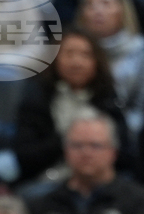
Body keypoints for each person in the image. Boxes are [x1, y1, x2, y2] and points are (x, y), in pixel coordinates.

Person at [13, 27, 133, 186]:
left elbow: (126, 154)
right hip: (49, 181)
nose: (77, 63)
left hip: (104, 181)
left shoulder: (109, 100)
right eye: (69, 54)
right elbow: (25, 157)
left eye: (85, 55)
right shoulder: (36, 99)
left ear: (97, 61)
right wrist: (69, 139)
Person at [78, 0, 144, 134]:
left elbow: (140, 109)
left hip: (127, 132)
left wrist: (116, 132)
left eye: (106, 3)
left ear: (123, 11)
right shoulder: (72, 50)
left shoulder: (140, 51)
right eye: (90, 5)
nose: (97, 11)